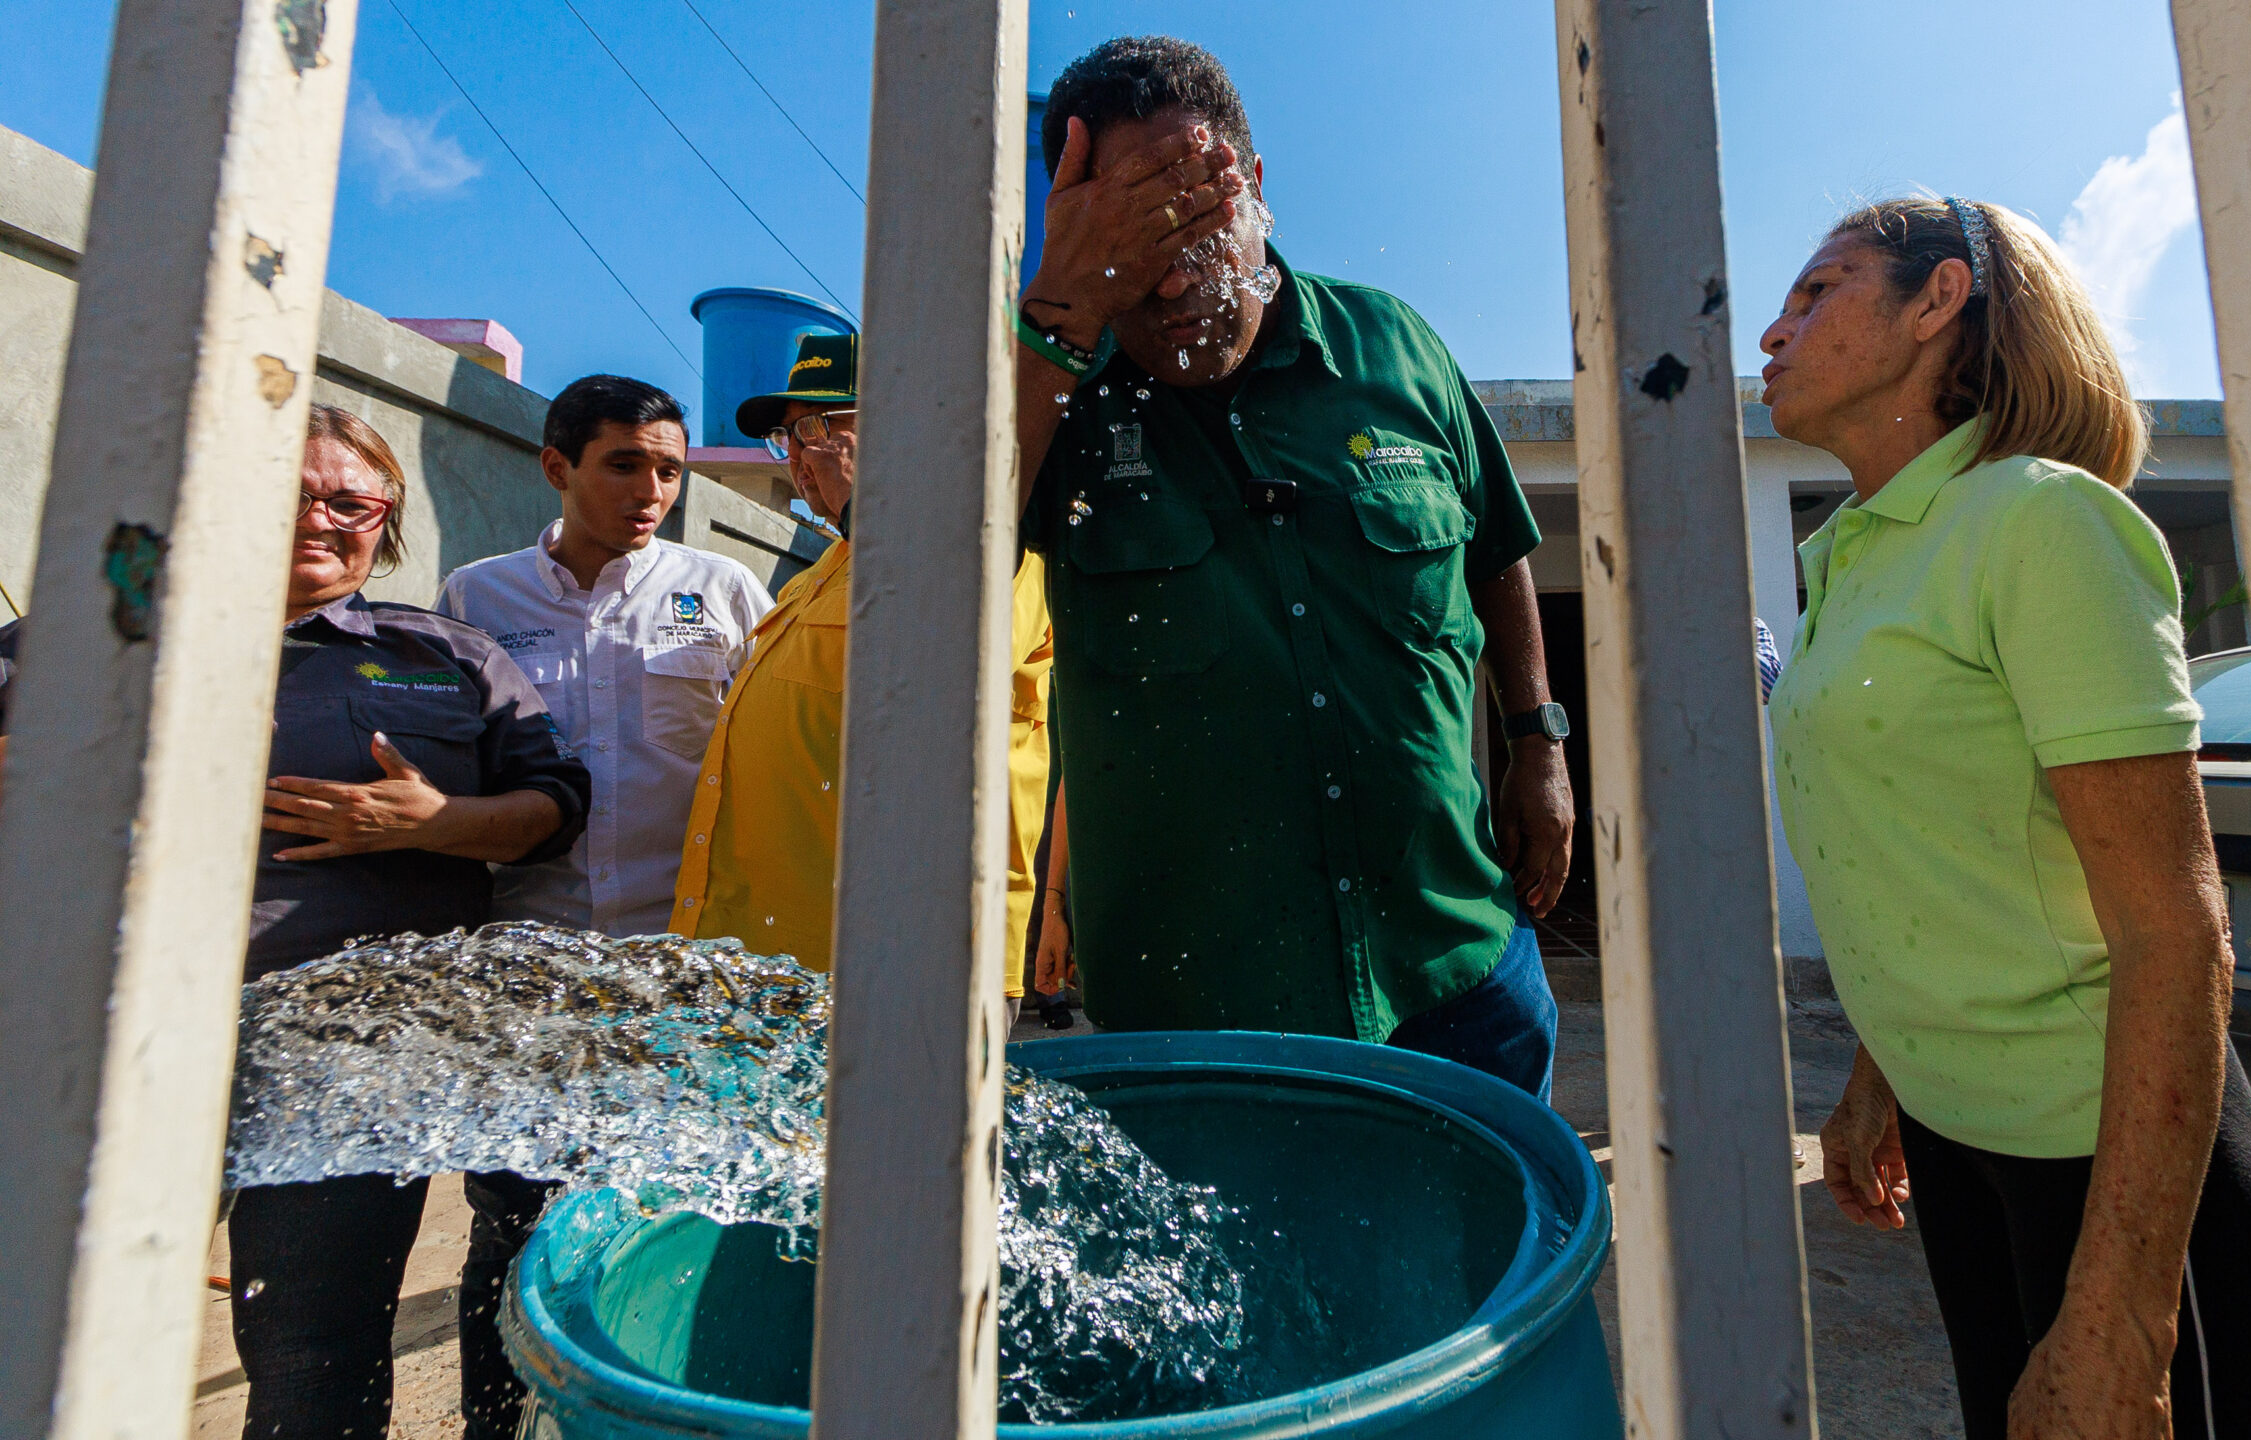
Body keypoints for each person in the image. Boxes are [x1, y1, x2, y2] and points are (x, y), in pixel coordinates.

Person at [1761, 197, 2251, 1437]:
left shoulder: (2039, 522)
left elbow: (2176, 929)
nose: (1770, 333)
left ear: (1937, 301)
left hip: (2115, 1173)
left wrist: (2122, 1316)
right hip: (1960, 1146)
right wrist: (1875, 1080)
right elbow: (1927, 860)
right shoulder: (1852, 556)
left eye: (1818, 292)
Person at [0, 407, 592, 1438]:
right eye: (289, 490)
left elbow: (555, 812)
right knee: (59, 1329)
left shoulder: (447, 653)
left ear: (387, 521)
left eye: (350, 500)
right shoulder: (77, 639)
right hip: (99, 1047)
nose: (320, 517)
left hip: (355, 1058)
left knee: (320, 1354)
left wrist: (441, 820)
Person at [1014, 37, 1573, 1099]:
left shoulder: (1393, 347)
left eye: (1196, 219)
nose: (1174, 276)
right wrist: (1057, 312)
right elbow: (936, 563)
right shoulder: (1044, 393)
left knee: (1507, 1265)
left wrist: (1537, 742)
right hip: (1197, 1018)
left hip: (1456, 975)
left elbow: (1496, 547)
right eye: (1132, 237)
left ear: (1256, 186)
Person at [667, 334, 1058, 1019]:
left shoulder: (986, 542)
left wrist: (867, 504)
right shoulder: (815, 578)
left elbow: (945, 668)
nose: (801, 455)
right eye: (789, 436)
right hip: (765, 960)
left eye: (821, 426)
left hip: (897, 967)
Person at [435, 375, 770, 937]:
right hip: (526, 935)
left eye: (668, 472)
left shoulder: (725, 589)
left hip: (690, 934)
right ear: (556, 468)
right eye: (624, 466)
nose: (651, 493)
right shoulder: (477, 595)